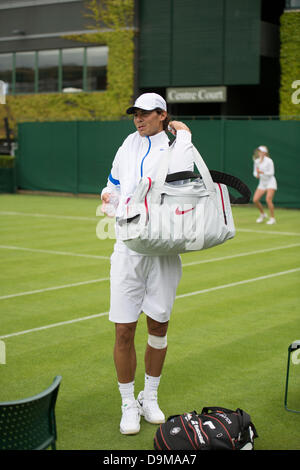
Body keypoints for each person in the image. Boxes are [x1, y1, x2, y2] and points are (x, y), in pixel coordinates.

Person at [101, 92, 194, 435]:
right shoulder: (127, 144)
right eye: (135, 114)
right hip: (127, 249)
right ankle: (128, 403)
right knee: (124, 328)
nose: (138, 119)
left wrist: (183, 136)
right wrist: (108, 199)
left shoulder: (175, 146)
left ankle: (149, 397)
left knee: (158, 326)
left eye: (145, 114)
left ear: (162, 115)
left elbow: (186, 180)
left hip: (164, 252)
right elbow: (111, 185)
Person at [252, 145, 277, 225]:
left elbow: (272, 173)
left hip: (270, 182)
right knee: (255, 200)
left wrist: (262, 172)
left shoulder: (269, 161)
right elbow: (255, 172)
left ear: (265, 153)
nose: (260, 153)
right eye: (259, 151)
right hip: (262, 183)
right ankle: (263, 214)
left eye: (261, 151)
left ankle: (272, 218)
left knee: (268, 199)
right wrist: (257, 175)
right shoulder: (256, 161)